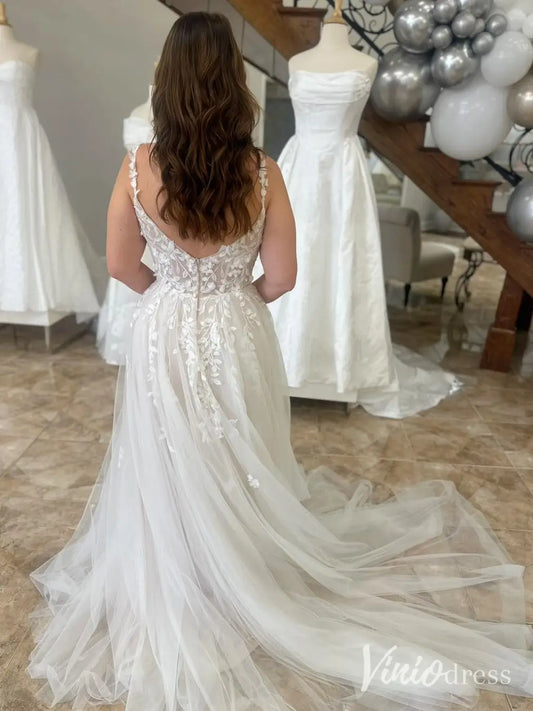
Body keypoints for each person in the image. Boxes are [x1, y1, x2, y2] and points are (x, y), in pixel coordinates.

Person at [27, 12, 533, 711]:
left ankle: (179, 564)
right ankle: (240, 565)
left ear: (167, 83)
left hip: (164, 327)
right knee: (237, 446)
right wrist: (234, 296)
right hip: (237, 326)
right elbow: (284, 276)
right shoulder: (262, 172)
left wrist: (173, 294)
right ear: (232, 83)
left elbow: (120, 263)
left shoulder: (138, 165)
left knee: (166, 451)